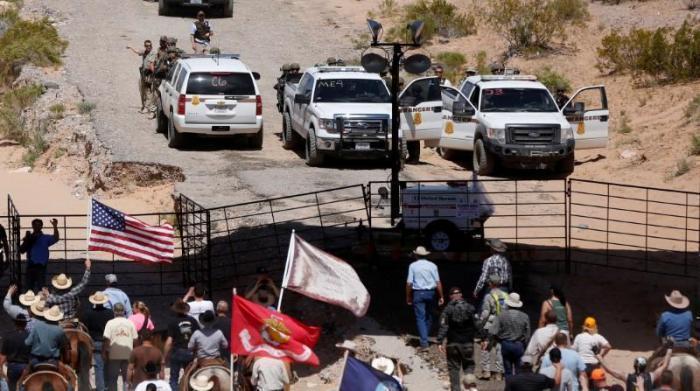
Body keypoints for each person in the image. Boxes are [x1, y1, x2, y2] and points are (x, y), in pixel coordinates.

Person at [436, 286, 477, 391]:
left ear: (450, 297)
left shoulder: (448, 309)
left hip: (452, 344)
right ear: (461, 295)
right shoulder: (470, 308)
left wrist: (440, 341)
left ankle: (456, 389)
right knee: (468, 366)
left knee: (454, 369)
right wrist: (484, 338)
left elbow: (444, 326)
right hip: (468, 343)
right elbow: (478, 324)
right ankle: (470, 388)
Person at [406, 246, 444, 350]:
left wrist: (408, 296)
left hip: (418, 293)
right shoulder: (433, 266)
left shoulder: (413, 266)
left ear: (416, 255)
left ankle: (424, 342)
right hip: (431, 293)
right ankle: (424, 337)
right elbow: (438, 282)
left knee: (420, 318)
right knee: (430, 316)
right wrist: (441, 296)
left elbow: (409, 283)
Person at [492, 292, 530, 379]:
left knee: (507, 370)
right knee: (519, 370)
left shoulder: (501, 315)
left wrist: (498, 340)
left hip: (506, 344)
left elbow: (494, 331)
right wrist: (524, 345)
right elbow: (527, 335)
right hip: (519, 345)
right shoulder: (525, 316)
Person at [81, 291, 115, 391]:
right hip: (107, 341)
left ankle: (101, 388)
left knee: (98, 367)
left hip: (95, 341)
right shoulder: (109, 313)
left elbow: (85, 328)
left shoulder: (88, 313)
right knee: (107, 366)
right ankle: (108, 386)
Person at [163, 299, 200, 391]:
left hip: (177, 352)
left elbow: (169, 341)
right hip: (190, 352)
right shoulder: (193, 321)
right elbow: (198, 337)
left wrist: (164, 356)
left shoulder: (172, 322)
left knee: (174, 379)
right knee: (191, 377)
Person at [477, 275, 507, 381]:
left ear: (490, 283)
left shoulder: (488, 296)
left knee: (486, 347)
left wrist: (480, 322)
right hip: (502, 324)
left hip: (490, 324)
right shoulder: (505, 295)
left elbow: (485, 313)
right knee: (499, 348)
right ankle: (499, 373)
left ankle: (486, 371)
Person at [597, 349, 672, 391]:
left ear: (634, 366)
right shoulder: (651, 376)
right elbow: (664, 366)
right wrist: (669, 349)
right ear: (645, 367)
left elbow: (609, 370)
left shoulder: (627, 377)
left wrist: (599, 356)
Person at [103, 303, 139, 391]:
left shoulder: (110, 323)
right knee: (127, 379)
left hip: (114, 354)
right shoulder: (130, 323)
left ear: (114, 311)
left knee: (112, 379)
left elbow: (107, 339)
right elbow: (135, 339)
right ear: (124, 312)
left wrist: (104, 351)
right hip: (128, 354)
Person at [19, 218, 59, 292]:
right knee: (29, 289)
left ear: (41, 226)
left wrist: (55, 226)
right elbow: (21, 250)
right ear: (32, 226)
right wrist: (27, 240)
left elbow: (56, 238)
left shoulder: (45, 238)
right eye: (35, 225)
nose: (37, 227)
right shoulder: (29, 237)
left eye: (38, 225)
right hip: (30, 266)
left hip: (41, 267)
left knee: (41, 289)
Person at [25, 302, 68, 367]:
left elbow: (27, 343)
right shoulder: (59, 330)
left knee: (24, 375)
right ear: (58, 318)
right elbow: (64, 345)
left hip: (35, 360)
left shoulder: (37, 325)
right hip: (53, 361)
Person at [0, 313, 30, 391]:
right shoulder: (30, 336)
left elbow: (3, 356)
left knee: (11, 387)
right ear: (25, 324)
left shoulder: (8, 336)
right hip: (25, 367)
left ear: (15, 323)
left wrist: (1, 371)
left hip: (12, 368)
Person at [127, 40, 157, 114]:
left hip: (148, 75)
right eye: (146, 45)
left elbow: (151, 65)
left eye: (149, 45)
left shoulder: (153, 54)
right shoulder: (144, 52)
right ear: (145, 46)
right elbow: (137, 52)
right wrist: (131, 47)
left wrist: (154, 74)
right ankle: (144, 106)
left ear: (151, 46)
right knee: (142, 91)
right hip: (143, 74)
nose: (148, 47)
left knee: (148, 92)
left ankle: (147, 108)